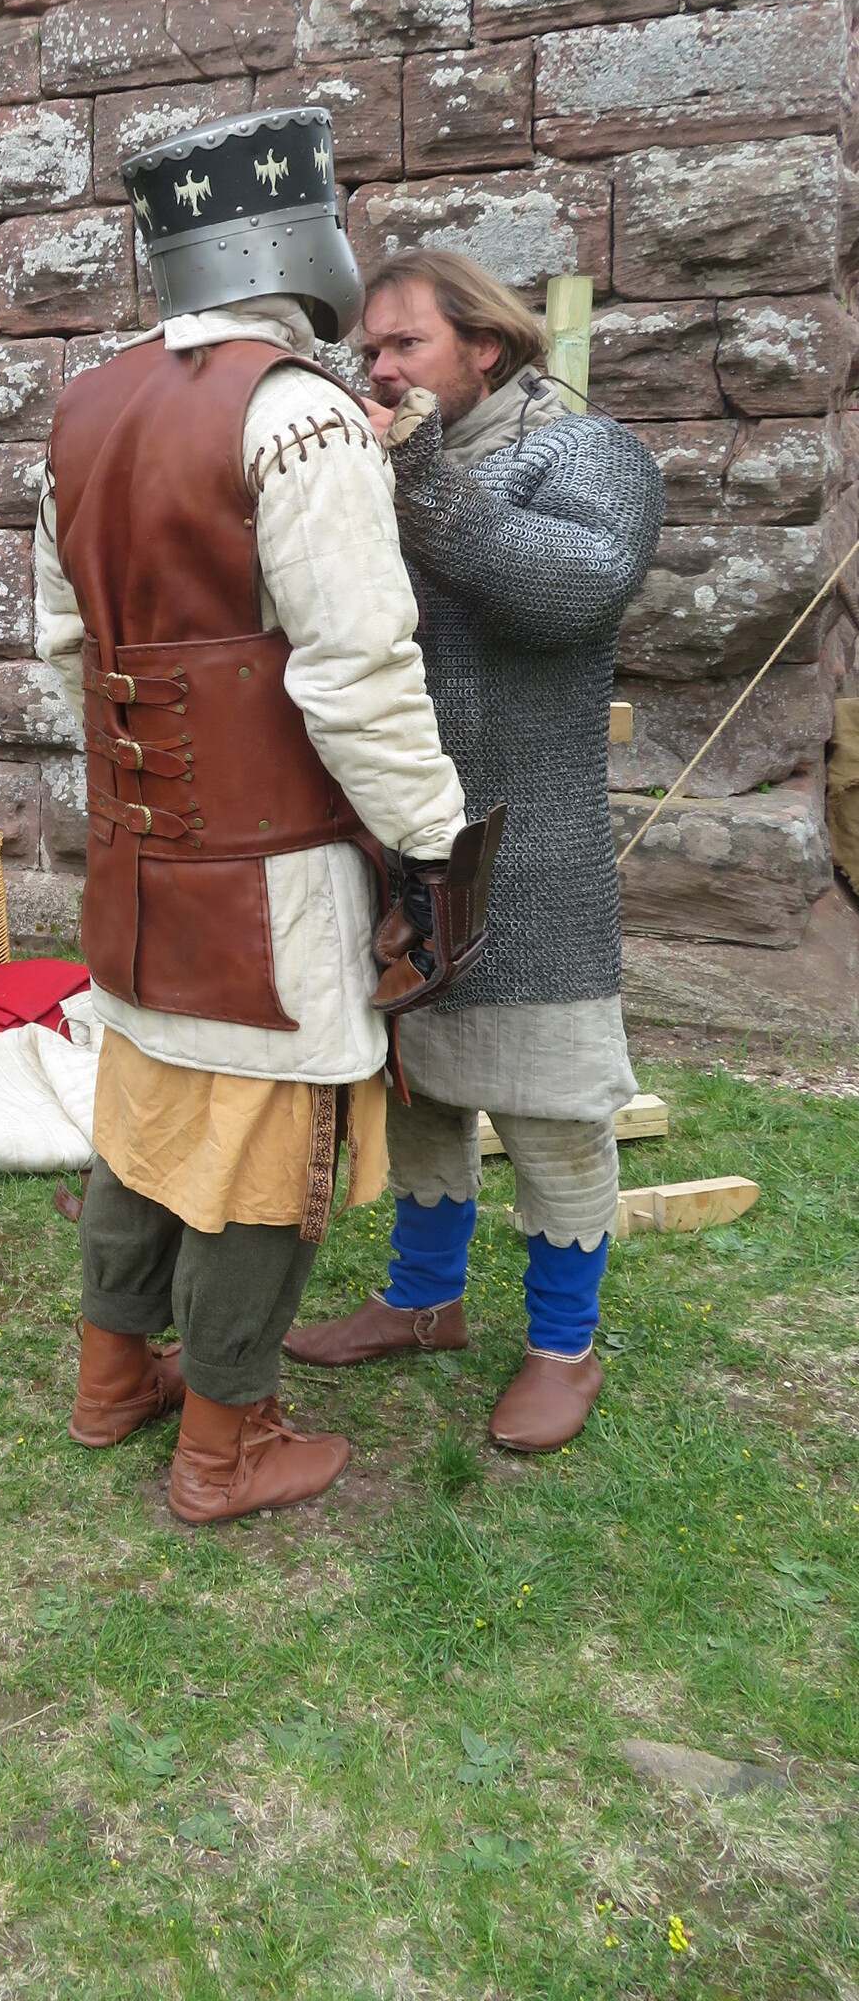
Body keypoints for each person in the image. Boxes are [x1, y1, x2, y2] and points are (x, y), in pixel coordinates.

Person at [36, 109, 470, 1525]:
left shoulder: (86, 407)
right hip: (270, 871)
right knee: (270, 1150)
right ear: (298, 236)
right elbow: (356, 671)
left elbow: (66, 648)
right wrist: (430, 835)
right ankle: (227, 1446)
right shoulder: (300, 414)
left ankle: (114, 1381)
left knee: (147, 1113)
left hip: (140, 863)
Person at [285, 250, 665, 1450]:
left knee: (552, 1109)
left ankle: (562, 1345)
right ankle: (422, 1300)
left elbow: (574, 591)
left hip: (530, 849)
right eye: (371, 350)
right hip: (401, 836)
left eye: (406, 344)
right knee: (424, 1093)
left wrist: (418, 480)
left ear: (485, 346)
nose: (381, 367)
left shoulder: (586, 454)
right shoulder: (382, 462)